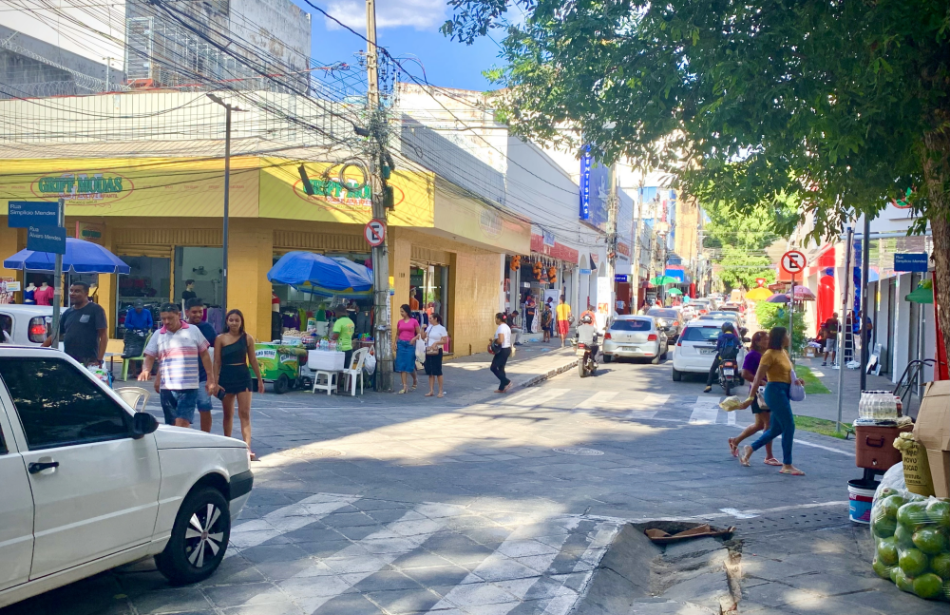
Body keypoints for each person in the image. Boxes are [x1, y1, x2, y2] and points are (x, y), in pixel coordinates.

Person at [737, 326, 806, 476]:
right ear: (780, 338)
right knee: (789, 425)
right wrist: (750, 398)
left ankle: (751, 448)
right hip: (774, 391)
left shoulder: (784, 353)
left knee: (776, 429)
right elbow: (756, 378)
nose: (789, 337)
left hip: (784, 391)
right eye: (787, 335)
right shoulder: (769, 354)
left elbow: (786, 374)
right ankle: (787, 464)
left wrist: (797, 381)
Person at [138, 303, 214, 429]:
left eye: (170, 318)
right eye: (163, 319)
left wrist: (210, 379)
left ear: (179, 315)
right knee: (172, 426)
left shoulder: (193, 330)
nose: (166, 322)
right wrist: (146, 370)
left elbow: (205, 355)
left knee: (182, 423)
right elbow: (150, 356)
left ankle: (183, 447)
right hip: (167, 388)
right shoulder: (158, 334)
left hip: (189, 387)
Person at [213, 309, 264, 460]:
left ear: (241, 322)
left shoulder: (247, 338)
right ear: (227, 322)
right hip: (226, 377)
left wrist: (260, 380)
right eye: (231, 320)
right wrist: (215, 382)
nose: (234, 323)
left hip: (243, 376)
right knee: (228, 414)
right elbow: (216, 362)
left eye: (237, 320)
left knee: (244, 413)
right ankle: (227, 444)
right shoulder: (220, 339)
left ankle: (247, 447)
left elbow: (253, 360)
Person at [728, 331, 779, 465]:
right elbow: (745, 374)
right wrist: (761, 381)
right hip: (759, 393)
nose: (768, 341)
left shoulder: (766, 354)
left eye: (768, 339)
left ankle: (735, 440)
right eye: (765, 339)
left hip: (765, 391)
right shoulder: (752, 355)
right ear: (757, 342)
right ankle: (769, 456)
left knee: (759, 424)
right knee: (768, 424)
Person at [42, 282, 108, 366]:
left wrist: (99, 360)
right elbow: (56, 335)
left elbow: (103, 335)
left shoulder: (96, 310)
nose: (72, 294)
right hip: (69, 360)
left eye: (77, 291)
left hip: (89, 360)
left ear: (86, 293)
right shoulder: (68, 312)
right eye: (71, 291)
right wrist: (41, 349)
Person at [185, 298, 217, 433]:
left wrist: (213, 377)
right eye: (194, 312)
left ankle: (206, 436)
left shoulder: (208, 329)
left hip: (203, 377)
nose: (198, 315)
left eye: (200, 312)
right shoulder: (181, 328)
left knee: (205, 407)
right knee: (184, 410)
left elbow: (216, 351)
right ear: (186, 312)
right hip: (185, 378)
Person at [704, 322, 742, 393]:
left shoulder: (721, 337)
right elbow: (739, 346)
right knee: (735, 364)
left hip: (722, 357)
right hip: (732, 357)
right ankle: (736, 377)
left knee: (713, 368)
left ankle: (708, 385)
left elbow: (718, 348)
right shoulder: (735, 337)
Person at [394, 304, 422, 394]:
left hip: (410, 345)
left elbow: (419, 333)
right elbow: (397, 334)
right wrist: (394, 343)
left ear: (407, 311)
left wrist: (414, 338)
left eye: (402, 311)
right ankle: (404, 386)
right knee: (401, 365)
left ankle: (414, 379)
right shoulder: (400, 322)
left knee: (409, 365)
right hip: (401, 344)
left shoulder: (414, 321)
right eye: (400, 311)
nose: (401, 313)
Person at [423, 313, 448, 397]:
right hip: (429, 350)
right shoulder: (429, 328)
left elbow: (445, 341)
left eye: (431, 318)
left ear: (436, 319)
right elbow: (423, 337)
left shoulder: (441, 328)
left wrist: (436, 342)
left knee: (438, 370)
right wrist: (422, 329)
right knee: (430, 371)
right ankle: (431, 390)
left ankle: (440, 391)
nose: (429, 320)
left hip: (437, 350)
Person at [490, 312, 512, 392]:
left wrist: (494, 341)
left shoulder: (501, 327)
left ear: (499, 319)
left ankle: (507, 381)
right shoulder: (506, 327)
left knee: (493, 367)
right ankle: (501, 388)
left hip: (502, 350)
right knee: (501, 368)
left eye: (496, 318)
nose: (495, 320)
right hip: (507, 349)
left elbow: (500, 340)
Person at [330, 303, 356, 368]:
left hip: (340, 350)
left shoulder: (339, 322)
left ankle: (334, 379)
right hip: (349, 349)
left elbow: (336, 336)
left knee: (336, 369)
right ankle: (342, 379)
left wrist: (330, 338)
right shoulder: (351, 322)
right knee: (344, 370)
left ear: (338, 312)